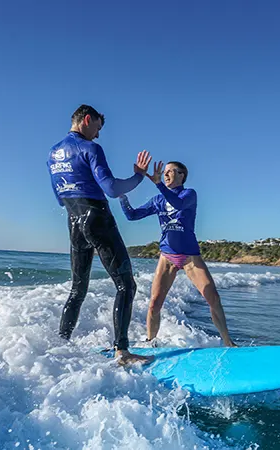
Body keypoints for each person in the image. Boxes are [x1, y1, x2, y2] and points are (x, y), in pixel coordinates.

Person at [47, 104, 153, 366]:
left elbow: (60, 199)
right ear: (86, 120)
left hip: (74, 220)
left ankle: (61, 346)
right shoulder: (90, 148)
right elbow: (112, 188)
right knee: (126, 285)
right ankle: (122, 351)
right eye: (97, 127)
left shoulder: (52, 153)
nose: (98, 134)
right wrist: (138, 177)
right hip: (97, 217)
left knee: (77, 290)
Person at [119, 160, 237, 347]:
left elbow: (179, 204)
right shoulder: (157, 200)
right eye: (164, 172)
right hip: (167, 256)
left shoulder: (189, 194)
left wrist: (157, 183)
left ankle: (228, 342)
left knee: (213, 298)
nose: (165, 175)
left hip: (190, 257)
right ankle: (151, 342)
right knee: (154, 304)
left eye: (170, 171)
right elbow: (132, 216)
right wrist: (122, 197)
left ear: (182, 175)